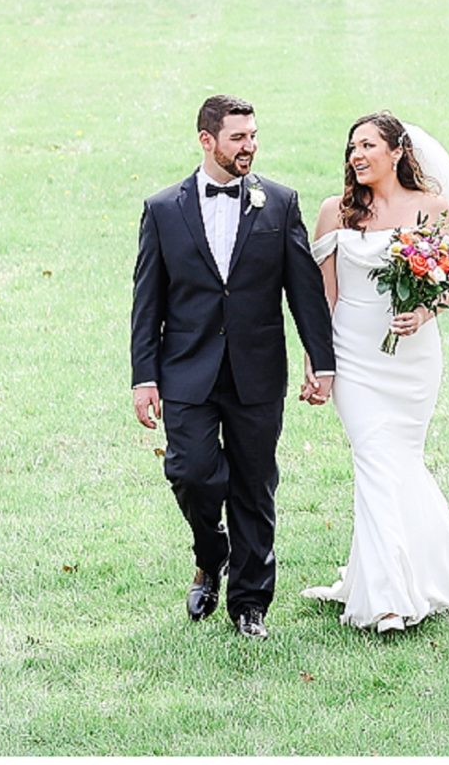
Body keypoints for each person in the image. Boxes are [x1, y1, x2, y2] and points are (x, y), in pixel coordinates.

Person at [130, 95, 336, 637]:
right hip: (186, 371)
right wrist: (144, 376)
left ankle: (250, 604)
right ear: (207, 140)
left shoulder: (280, 203)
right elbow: (147, 301)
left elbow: (305, 292)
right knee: (192, 472)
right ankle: (209, 553)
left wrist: (323, 359)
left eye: (253, 137)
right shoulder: (162, 210)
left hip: (257, 371)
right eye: (238, 138)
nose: (249, 147)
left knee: (253, 486)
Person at [303, 112, 449, 631]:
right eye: (351, 147)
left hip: (412, 360)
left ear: (397, 152)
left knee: (398, 461)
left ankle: (433, 568)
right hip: (354, 356)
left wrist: (425, 310)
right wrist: (317, 362)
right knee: (375, 458)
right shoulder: (335, 212)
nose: (356, 155)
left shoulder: (432, 209)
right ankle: (385, 599)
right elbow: (325, 293)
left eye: (367, 145)